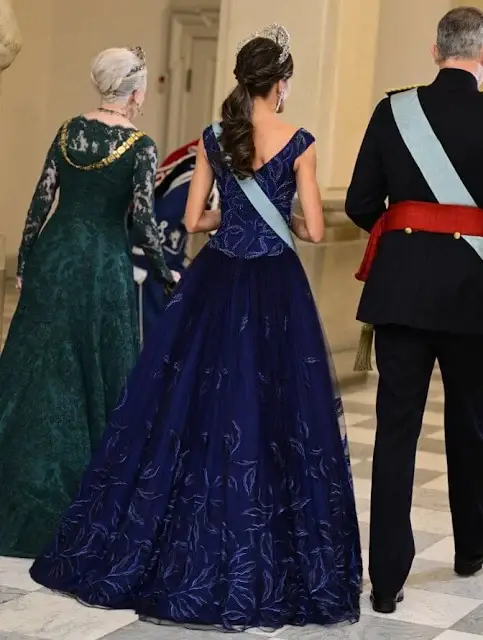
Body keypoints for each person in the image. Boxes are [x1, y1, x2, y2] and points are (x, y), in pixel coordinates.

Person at [30, 24, 362, 632]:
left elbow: (191, 219)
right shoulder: (301, 141)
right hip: (275, 287)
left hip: (219, 281)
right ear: (280, 85)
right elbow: (314, 230)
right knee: (279, 412)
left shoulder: (214, 137)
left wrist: (231, 213)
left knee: (193, 405)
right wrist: (274, 208)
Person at [346, 7, 483, 614]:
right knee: (468, 427)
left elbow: (358, 202)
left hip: (400, 294)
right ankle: (469, 548)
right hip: (472, 296)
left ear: (434, 51)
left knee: (396, 434)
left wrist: (407, 239)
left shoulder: (391, 108)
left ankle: (386, 580)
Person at [0, 47, 177, 558]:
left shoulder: (66, 131)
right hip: (101, 267)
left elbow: (41, 199)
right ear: (135, 91)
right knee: (96, 375)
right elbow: (144, 220)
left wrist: (26, 263)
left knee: (38, 374)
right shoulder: (140, 145)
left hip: (56, 259)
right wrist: (168, 274)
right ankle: (88, 505)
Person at [132, 138, 219, 342]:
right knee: (149, 343)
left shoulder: (201, 163)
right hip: (150, 267)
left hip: (168, 262)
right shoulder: (194, 172)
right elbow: (158, 218)